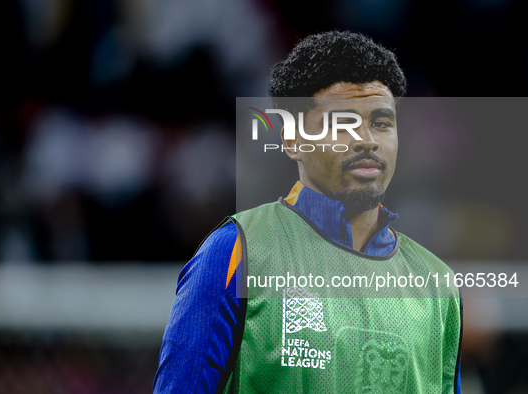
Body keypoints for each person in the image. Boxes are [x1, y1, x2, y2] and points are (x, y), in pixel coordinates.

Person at [154, 31, 462, 394]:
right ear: (292, 139)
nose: (366, 139)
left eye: (381, 122)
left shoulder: (437, 283)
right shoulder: (236, 252)